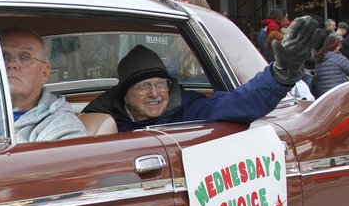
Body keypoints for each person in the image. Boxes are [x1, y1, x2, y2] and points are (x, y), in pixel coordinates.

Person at [84, 16, 319, 131]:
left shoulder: (190, 108)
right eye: (143, 86)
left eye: (161, 84)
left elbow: (240, 103)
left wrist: (280, 74)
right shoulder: (102, 120)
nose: (155, 93)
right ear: (124, 94)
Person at [0, 27, 86, 142]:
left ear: (44, 73)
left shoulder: (62, 128)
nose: (10, 64)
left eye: (25, 56)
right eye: (3, 56)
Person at [312, 32, 349, 98]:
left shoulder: (319, 58)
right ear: (336, 46)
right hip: (339, 91)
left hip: (325, 93)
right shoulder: (337, 57)